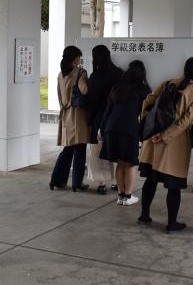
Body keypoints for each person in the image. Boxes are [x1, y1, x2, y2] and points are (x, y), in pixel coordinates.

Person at [137, 57, 193, 233]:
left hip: (152, 140)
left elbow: (147, 101)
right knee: (174, 185)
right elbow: (185, 122)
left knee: (151, 180)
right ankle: (171, 223)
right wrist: (164, 136)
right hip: (174, 144)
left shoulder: (168, 83)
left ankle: (144, 215)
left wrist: (148, 125)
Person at [99, 60, 151, 206]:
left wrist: (102, 130)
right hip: (129, 130)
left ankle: (121, 196)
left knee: (120, 163)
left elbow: (107, 111)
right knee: (130, 163)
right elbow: (146, 114)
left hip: (111, 129)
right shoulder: (143, 90)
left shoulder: (117, 88)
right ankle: (128, 196)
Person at [50, 46, 90, 192]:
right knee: (80, 149)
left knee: (67, 149)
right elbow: (85, 90)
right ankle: (77, 183)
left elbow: (59, 96)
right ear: (74, 58)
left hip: (66, 114)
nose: (80, 60)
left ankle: (56, 180)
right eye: (79, 57)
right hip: (78, 116)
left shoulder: (60, 74)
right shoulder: (80, 73)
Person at [86, 45, 123, 194]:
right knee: (116, 150)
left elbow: (92, 102)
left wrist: (89, 121)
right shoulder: (119, 73)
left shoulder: (95, 76)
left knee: (98, 151)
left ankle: (102, 183)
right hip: (117, 118)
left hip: (100, 118)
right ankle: (118, 182)